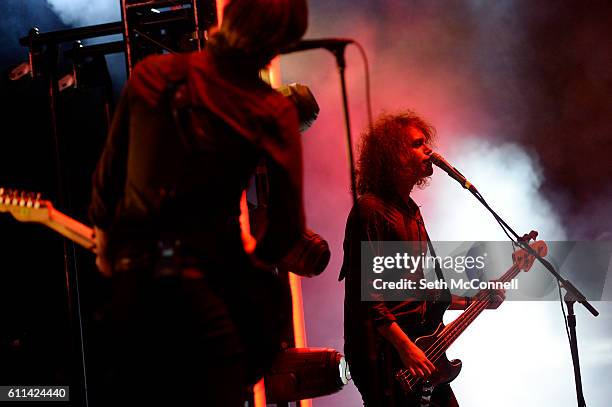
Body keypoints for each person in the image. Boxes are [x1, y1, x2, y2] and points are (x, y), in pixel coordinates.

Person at [88, 0, 308, 405]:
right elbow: (288, 229)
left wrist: (108, 252)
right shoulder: (272, 110)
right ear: (279, 41)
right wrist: (252, 262)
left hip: (135, 292)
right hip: (209, 292)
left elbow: (107, 180)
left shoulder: (153, 74)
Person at [340, 111, 502, 406]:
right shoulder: (371, 211)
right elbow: (366, 297)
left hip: (420, 352)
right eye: (417, 144)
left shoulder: (411, 211)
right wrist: (405, 348)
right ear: (393, 155)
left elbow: (424, 294)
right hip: (387, 358)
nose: (429, 150)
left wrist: (475, 301)